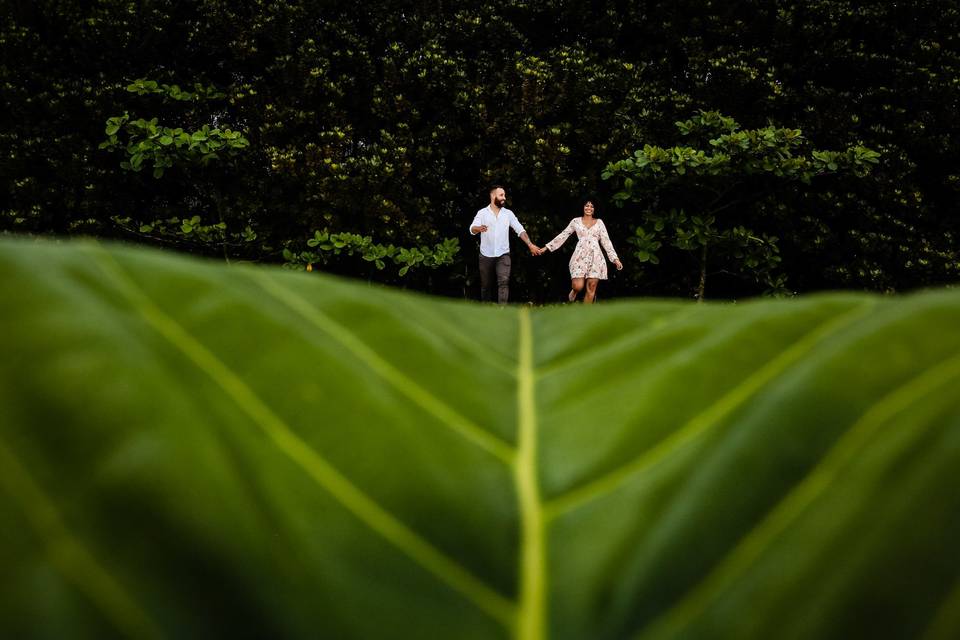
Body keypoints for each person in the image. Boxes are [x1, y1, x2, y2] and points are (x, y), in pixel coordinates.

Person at [537, 199, 623, 304]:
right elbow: (563, 235)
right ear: (582, 207)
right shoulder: (575, 221)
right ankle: (574, 291)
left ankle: (585, 315)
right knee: (578, 286)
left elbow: (606, 241)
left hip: (596, 257)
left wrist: (615, 259)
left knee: (591, 286)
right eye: (587, 205)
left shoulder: (599, 222)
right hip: (579, 256)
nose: (589, 208)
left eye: (592, 206)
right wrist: (547, 247)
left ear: (595, 209)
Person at [469, 185, 542, 304]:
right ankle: (485, 311)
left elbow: (520, 230)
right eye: (501, 195)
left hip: (503, 254)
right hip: (485, 255)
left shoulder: (508, 214)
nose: (504, 198)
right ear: (493, 196)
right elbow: (472, 229)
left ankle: (502, 311)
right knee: (486, 285)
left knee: (503, 281)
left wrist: (530, 244)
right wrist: (478, 228)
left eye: (504, 195)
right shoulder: (482, 213)